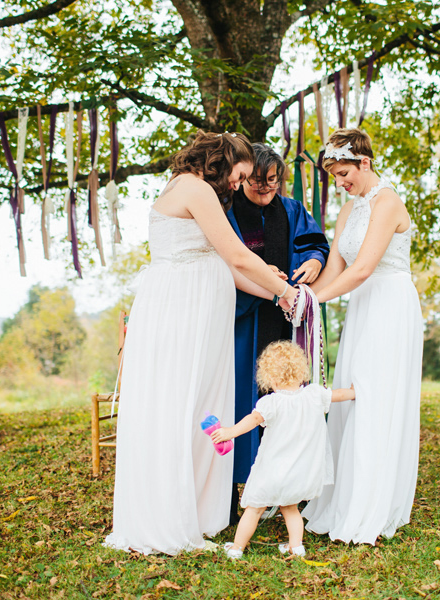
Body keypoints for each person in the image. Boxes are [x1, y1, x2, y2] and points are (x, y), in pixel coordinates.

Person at [103, 131, 300, 556]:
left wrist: (274, 293)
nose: (238, 184)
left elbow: (229, 269)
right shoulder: (194, 187)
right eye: (240, 175)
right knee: (179, 406)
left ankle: (196, 511)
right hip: (181, 315)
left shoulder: (195, 189)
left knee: (200, 409)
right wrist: (283, 290)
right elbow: (239, 258)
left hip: (198, 317)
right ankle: (166, 518)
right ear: (222, 160)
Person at [301, 128, 424, 545]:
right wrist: (302, 298)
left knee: (376, 394)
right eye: (334, 176)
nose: (340, 183)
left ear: (364, 162)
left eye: (344, 173)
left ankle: (372, 502)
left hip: (389, 304)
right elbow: (337, 268)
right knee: (349, 393)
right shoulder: (348, 210)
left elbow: (363, 269)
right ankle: (344, 497)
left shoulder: (387, 201)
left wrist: (315, 303)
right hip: (361, 308)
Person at [225, 144, 330, 522]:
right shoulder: (228, 211)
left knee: (288, 401)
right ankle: (238, 485)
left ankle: (289, 486)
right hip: (245, 321)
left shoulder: (291, 210)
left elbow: (314, 243)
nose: (266, 188)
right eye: (257, 181)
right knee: (243, 401)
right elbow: (228, 259)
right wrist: (263, 276)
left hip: (287, 324)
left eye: (273, 181)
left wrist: (315, 261)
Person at [210, 341, 355, 559]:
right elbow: (339, 395)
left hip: (270, 472)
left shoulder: (271, 403)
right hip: (299, 473)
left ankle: (236, 548)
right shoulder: (314, 394)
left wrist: (229, 432)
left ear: (270, 378)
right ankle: (296, 548)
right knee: (290, 509)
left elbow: (251, 421)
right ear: (300, 371)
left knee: (254, 509)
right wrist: (355, 392)